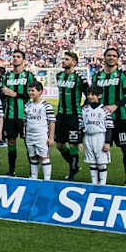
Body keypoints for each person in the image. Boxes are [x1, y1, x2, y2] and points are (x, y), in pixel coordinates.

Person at [92, 47, 126, 185]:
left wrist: (115, 106)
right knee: (100, 148)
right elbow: (92, 95)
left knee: (125, 148)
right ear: (104, 57)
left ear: (117, 59)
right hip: (101, 121)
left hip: (120, 118)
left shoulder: (123, 75)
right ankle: (100, 180)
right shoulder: (97, 76)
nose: (111, 57)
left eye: (114, 55)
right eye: (108, 55)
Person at [0, 49, 36, 176]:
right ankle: (11, 170)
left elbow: (32, 94)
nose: (15, 58)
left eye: (18, 56)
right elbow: (2, 95)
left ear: (23, 60)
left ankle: (33, 172)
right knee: (11, 142)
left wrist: (15, 94)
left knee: (28, 143)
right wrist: (3, 93)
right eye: (13, 56)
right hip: (9, 115)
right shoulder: (6, 76)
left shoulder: (28, 76)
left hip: (25, 116)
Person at [55, 51, 88, 180]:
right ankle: (74, 165)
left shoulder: (80, 78)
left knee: (73, 144)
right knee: (59, 145)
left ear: (74, 62)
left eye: (67, 59)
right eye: (63, 59)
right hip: (61, 116)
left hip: (74, 116)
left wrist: (83, 107)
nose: (64, 61)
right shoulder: (59, 76)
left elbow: (89, 94)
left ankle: (72, 175)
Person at [80, 85, 114, 185]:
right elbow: (81, 125)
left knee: (101, 162)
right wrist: (80, 141)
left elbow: (109, 127)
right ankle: (94, 182)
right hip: (88, 137)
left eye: (93, 94)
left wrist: (107, 142)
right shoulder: (85, 109)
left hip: (100, 137)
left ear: (99, 96)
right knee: (92, 162)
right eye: (88, 94)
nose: (90, 96)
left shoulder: (104, 110)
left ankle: (102, 183)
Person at [24, 82, 55, 180]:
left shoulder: (46, 106)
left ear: (40, 91)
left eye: (33, 90)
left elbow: (52, 122)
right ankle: (34, 177)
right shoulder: (27, 105)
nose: (30, 93)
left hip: (41, 135)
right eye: (29, 90)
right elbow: (25, 120)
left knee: (44, 157)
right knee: (33, 157)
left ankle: (47, 179)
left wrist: (51, 137)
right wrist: (25, 132)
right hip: (30, 135)